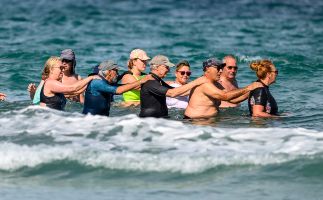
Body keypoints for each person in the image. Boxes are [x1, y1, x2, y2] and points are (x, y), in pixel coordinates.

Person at [184, 58, 263, 119]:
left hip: (207, 121)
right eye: (218, 68)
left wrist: (252, 90)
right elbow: (225, 96)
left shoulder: (216, 84)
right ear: (208, 69)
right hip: (194, 123)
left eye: (221, 68)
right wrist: (249, 87)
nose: (221, 71)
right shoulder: (205, 84)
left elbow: (233, 100)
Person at [139, 55, 207, 118]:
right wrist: (196, 82)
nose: (168, 70)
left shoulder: (158, 81)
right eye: (166, 67)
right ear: (157, 67)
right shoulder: (151, 82)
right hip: (149, 122)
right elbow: (172, 93)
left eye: (188, 73)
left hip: (158, 121)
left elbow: (176, 90)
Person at [82, 60, 153, 116]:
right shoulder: (97, 82)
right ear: (109, 71)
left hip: (101, 120)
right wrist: (141, 81)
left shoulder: (106, 82)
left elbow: (123, 86)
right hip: (90, 120)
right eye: (116, 71)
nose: (117, 73)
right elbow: (118, 90)